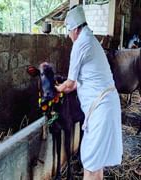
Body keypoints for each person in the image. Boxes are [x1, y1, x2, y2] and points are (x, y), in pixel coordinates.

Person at [55, 5, 123, 180]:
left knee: (91, 164)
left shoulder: (81, 44)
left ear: (75, 29)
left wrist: (56, 89)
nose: (69, 36)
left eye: (69, 32)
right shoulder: (91, 40)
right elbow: (84, 81)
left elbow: (70, 84)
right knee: (96, 163)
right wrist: (68, 86)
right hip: (106, 105)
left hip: (101, 109)